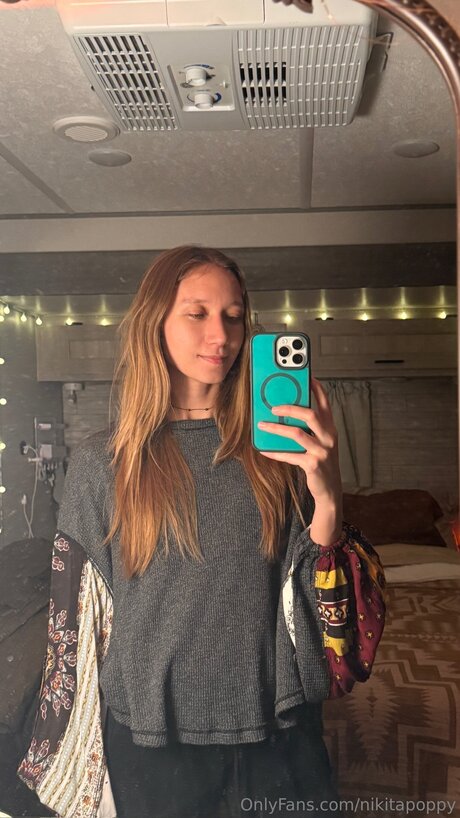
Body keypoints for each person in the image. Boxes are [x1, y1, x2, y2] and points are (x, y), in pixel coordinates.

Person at [17, 245, 386, 818]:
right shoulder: (103, 465)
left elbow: (320, 607)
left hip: (278, 734)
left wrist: (329, 493)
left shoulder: (280, 454)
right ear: (155, 322)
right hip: (151, 744)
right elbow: (74, 630)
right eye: (198, 313)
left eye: (234, 317)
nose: (221, 335)